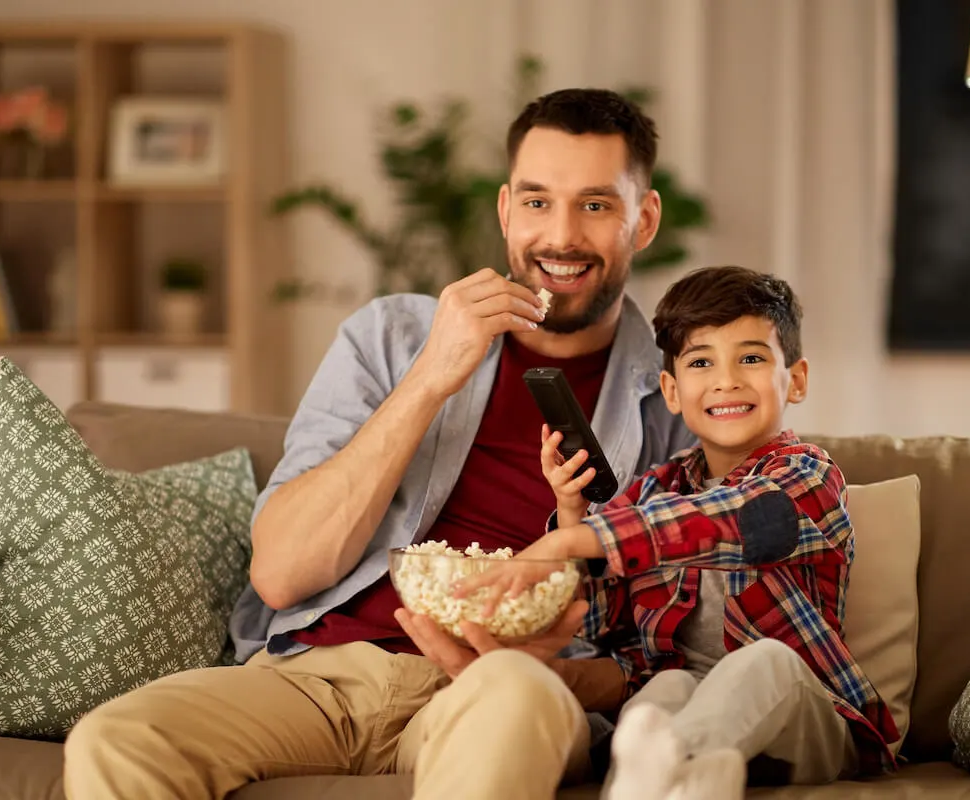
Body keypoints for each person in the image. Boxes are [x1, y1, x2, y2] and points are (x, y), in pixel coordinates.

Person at [61, 88, 696, 799]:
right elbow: (280, 573)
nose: (561, 236)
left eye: (596, 204)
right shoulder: (391, 338)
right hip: (320, 678)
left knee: (514, 696)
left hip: (495, 687)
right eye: (538, 201)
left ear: (643, 220)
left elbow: (686, 645)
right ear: (506, 210)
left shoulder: (682, 398)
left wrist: (555, 671)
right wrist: (430, 377)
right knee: (117, 738)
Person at [491, 266, 901, 799]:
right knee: (664, 687)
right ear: (672, 390)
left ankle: (679, 761)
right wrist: (571, 514)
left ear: (795, 379)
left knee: (767, 660)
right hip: (692, 712)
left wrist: (573, 540)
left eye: (751, 358)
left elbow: (733, 518)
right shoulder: (652, 493)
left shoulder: (808, 476)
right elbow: (598, 627)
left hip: (805, 723)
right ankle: (671, 779)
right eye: (701, 362)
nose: (726, 380)